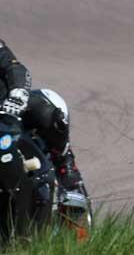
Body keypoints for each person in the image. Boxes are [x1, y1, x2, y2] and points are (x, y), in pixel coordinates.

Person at [0, 39, 88, 200]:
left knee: (46, 108)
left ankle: (65, 165)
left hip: (7, 109)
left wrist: (17, 93)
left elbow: (14, 67)